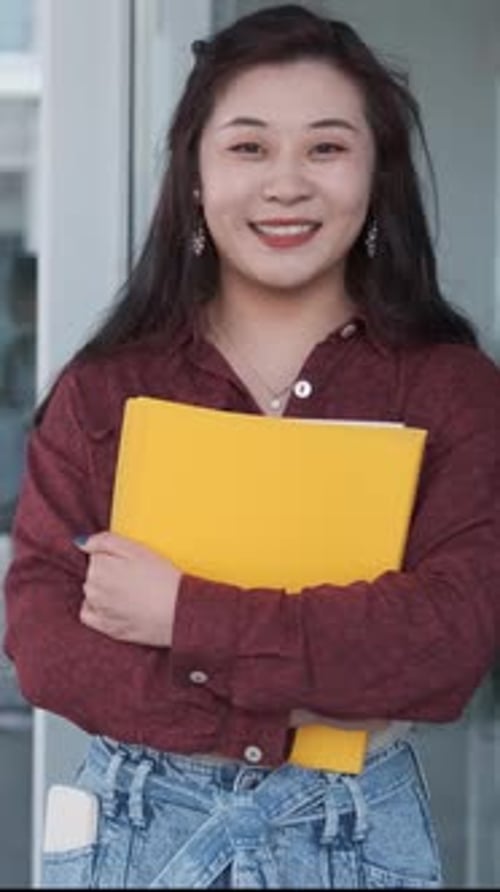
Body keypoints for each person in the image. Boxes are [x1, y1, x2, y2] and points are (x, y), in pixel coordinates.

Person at [4, 3, 500, 888]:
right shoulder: (107, 388)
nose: (285, 183)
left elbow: (447, 643)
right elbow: (47, 643)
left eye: (325, 147)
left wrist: (182, 614)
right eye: (248, 147)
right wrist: (309, 686)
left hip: (354, 835)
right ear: (195, 176)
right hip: (139, 831)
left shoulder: (450, 389)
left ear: (376, 174)